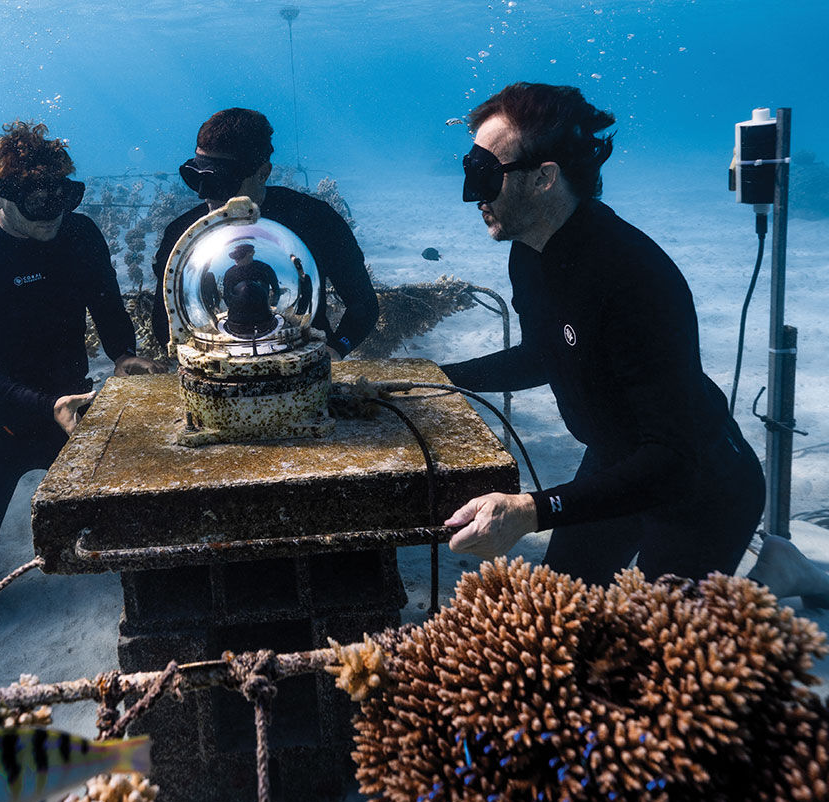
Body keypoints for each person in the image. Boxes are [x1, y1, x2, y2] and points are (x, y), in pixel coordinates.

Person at [442, 83, 765, 585]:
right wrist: (436, 377)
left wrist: (531, 510)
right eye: (470, 171)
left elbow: (671, 459)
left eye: (485, 176)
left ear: (545, 178)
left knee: (657, 643)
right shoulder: (528, 252)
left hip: (699, 484)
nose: (471, 195)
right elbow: (543, 355)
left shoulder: (633, 276)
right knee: (560, 600)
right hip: (617, 459)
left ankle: (779, 573)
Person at [0, 121, 153, 616]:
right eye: (37, 200)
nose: (54, 213)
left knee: (150, 536)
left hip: (76, 412)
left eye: (63, 196)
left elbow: (109, 309)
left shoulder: (81, 234)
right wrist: (45, 405)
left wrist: (124, 354)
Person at [151, 108, 379, 358]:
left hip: (303, 365)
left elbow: (363, 304)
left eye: (221, 181)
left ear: (263, 172)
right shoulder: (182, 236)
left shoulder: (316, 219)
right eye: (196, 178)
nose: (205, 194)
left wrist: (336, 349)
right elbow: (165, 321)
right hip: (216, 370)